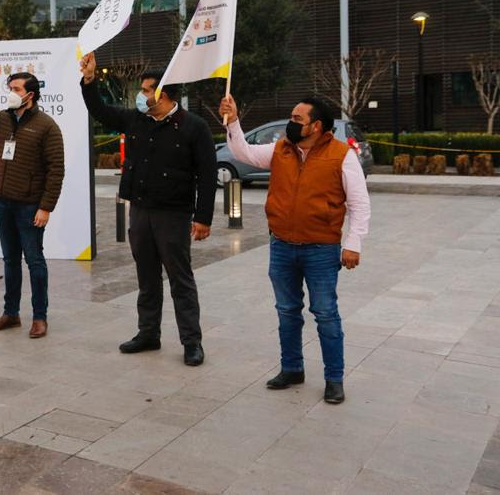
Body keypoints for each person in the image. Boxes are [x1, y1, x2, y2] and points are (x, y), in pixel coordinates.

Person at [219, 94, 370, 404]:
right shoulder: (280, 150)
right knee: (287, 311)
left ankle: (334, 378)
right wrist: (233, 120)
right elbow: (242, 151)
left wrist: (352, 244)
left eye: (297, 119)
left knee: (325, 314)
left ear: (316, 126)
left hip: (322, 249)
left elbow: (359, 203)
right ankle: (291, 369)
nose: (291, 123)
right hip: (282, 246)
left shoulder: (342, 155)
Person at [79, 53, 215, 366]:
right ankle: (148, 333)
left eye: (146, 90)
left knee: (180, 279)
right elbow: (100, 110)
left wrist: (203, 218)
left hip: (174, 215)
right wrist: (89, 81)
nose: (141, 95)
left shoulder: (193, 127)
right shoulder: (136, 120)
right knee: (146, 276)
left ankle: (192, 342)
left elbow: (207, 175)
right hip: (140, 210)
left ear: (164, 94)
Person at [0, 66, 64, 339]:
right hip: (2, 202)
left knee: (34, 260)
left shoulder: (47, 126)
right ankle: (11, 313)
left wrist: (45, 207)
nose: (11, 93)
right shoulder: (3, 119)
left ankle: (39, 317)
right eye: (10, 89)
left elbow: (56, 170)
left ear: (30, 94)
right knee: (9, 260)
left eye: (16, 89)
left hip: (30, 206)